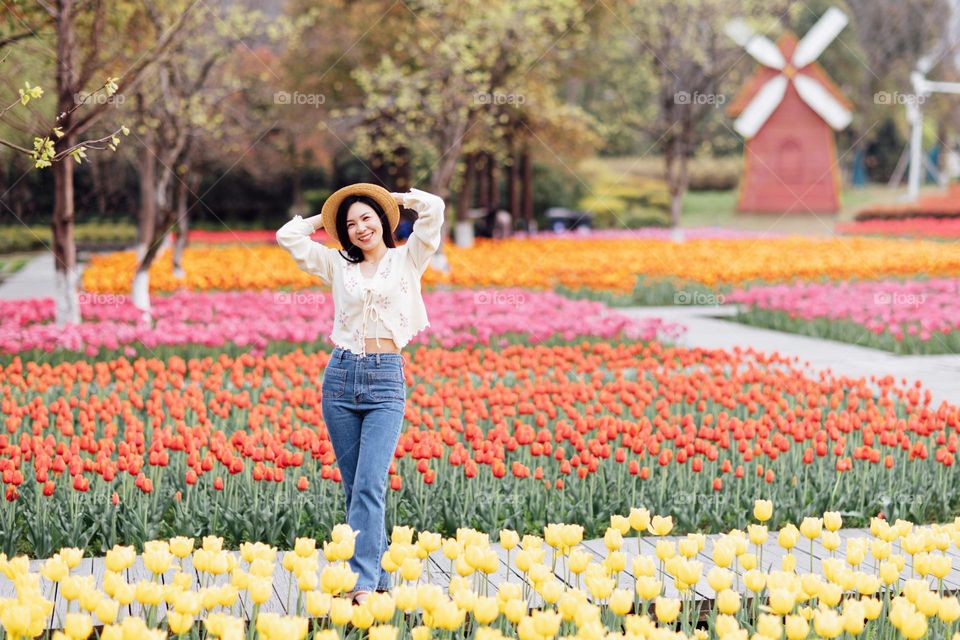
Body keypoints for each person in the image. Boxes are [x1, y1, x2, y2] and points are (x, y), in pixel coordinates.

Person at [275, 183, 445, 605]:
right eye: (350, 224)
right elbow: (288, 237)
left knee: (371, 483)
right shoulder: (336, 264)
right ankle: (379, 573)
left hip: (386, 380)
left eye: (367, 218)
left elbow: (435, 209)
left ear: (383, 221)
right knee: (355, 488)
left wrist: (396, 200)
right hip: (340, 378)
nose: (360, 228)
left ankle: (361, 581)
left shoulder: (409, 258)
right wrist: (325, 218)